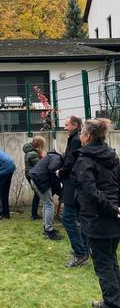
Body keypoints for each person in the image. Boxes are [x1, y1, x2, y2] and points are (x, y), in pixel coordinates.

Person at [72, 119, 120, 308]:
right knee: (111, 260)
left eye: (81, 132)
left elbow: (91, 192)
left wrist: (114, 209)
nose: (79, 136)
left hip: (98, 220)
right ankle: (115, 300)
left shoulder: (85, 160)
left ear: (89, 136)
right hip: (114, 217)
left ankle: (111, 303)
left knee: (103, 264)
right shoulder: (112, 156)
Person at [57, 116, 89, 268]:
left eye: (67, 125)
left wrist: (60, 172)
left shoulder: (76, 140)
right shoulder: (75, 138)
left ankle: (80, 252)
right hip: (77, 183)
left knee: (68, 218)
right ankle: (85, 248)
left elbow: (71, 160)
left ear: (75, 125)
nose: (65, 127)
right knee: (79, 217)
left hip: (73, 183)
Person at [29, 150, 64, 240]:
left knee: (46, 203)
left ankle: (47, 228)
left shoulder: (52, 156)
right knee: (49, 204)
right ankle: (49, 231)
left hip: (36, 178)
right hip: (39, 180)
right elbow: (52, 169)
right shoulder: (58, 158)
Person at [23, 136, 46, 220]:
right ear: (38, 143)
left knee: (37, 194)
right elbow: (39, 166)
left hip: (30, 174)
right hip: (32, 175)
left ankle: (34, 214)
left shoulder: (31, 151)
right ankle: (34, 215)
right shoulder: (32, 153)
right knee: (37, 194)